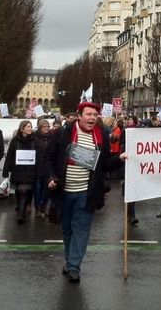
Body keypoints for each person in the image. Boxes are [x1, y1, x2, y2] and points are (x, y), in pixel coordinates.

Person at [45, 102, 125, 283]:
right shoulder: (62, 134)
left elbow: (104, 165)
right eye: (88, 114)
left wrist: (119, 158)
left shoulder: (101, 136)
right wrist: (50, 177)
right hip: (64, 191)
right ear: (79, 115)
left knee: (81, 229)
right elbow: (48, 158)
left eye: (95, 115)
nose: (92, 118)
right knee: (67, 229)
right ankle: (69, 260)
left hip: (86, 193)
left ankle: (74, 266)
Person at [3, 120, 37, 224]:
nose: (30, 128)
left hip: (29, 171)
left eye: (31, 127)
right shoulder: (15, 141)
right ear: (22, 128)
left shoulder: (35, 140)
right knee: (18, 191)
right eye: (28, 127)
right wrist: (6, 171)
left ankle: (21, 215)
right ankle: (20, 206)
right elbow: (9, 156)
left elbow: (39, 155)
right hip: (17, 170)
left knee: (24, 191)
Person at [33, 118, 52, 218]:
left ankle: (44, 206)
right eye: (45, 126)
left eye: (48, 126)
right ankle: (38, 209)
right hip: (37, 167)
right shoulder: (35, 138)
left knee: (46, 189)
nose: (47, 128)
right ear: (40, 127)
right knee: (37, 189)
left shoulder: (51, 137)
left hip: (47, 168)